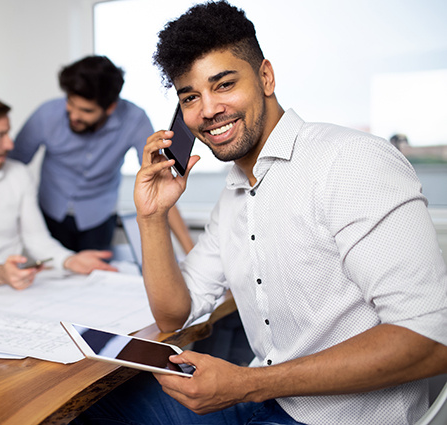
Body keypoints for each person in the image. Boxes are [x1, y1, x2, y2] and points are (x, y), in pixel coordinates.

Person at [71, 2, 447, 425]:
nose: (208, 110)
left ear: (265, 77)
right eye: (190, 96)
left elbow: (432, 339)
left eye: (224, 84)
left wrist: (248, 384)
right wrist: (152, 216)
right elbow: (174, 313)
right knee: (98, 410)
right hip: (265, 399)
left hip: (339, 415)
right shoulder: (234, 197)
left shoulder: (350, 162)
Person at [8, 55, 194, 254]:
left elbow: (159, 181)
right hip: (49, 213)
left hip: (98, 218)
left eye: (86, 110)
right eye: (70, 103)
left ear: (111, 107)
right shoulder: (46, 115)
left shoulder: (134, 119)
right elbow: (11, 166)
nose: (74, 115)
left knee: (97, 278)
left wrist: (190, 251)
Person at [0, 92, 117, 290]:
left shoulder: (18, 174)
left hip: (22, 284)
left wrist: (69, 260)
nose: (10, 144)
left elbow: (36, 238)